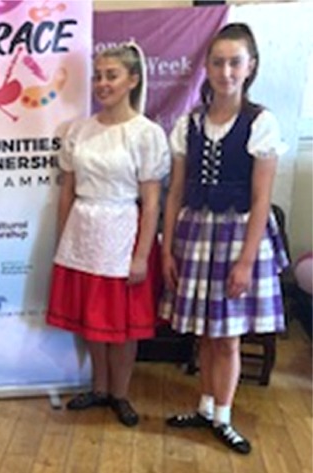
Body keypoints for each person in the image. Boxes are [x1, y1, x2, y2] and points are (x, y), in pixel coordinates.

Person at [161, 23, 288, 455]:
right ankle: (204, 407)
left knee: (229, 336)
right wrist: (166, 249)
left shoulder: (260, 122)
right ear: (207, 67)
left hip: (238, 236)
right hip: (196, 234)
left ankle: (223, 416)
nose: (225, 71)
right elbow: (175, 192)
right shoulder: (190, 123)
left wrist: (246, 261)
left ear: (250, 67)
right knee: (205, 331)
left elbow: (261, 198)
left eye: (235, 62)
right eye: (217, 62)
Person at [46, 43, 169, 427]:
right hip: (82, 231)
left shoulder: (145, 133)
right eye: (98, 75)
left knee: (122, 324)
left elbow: (152, 202)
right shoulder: (79, 130)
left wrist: (140, 255)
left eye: (111, 75)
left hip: (122, 231)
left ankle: (120, 393)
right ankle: (99, 387)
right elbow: (67, 190)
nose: (102, 83)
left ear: (132, 80)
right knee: (91, 316)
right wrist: (62, 240)